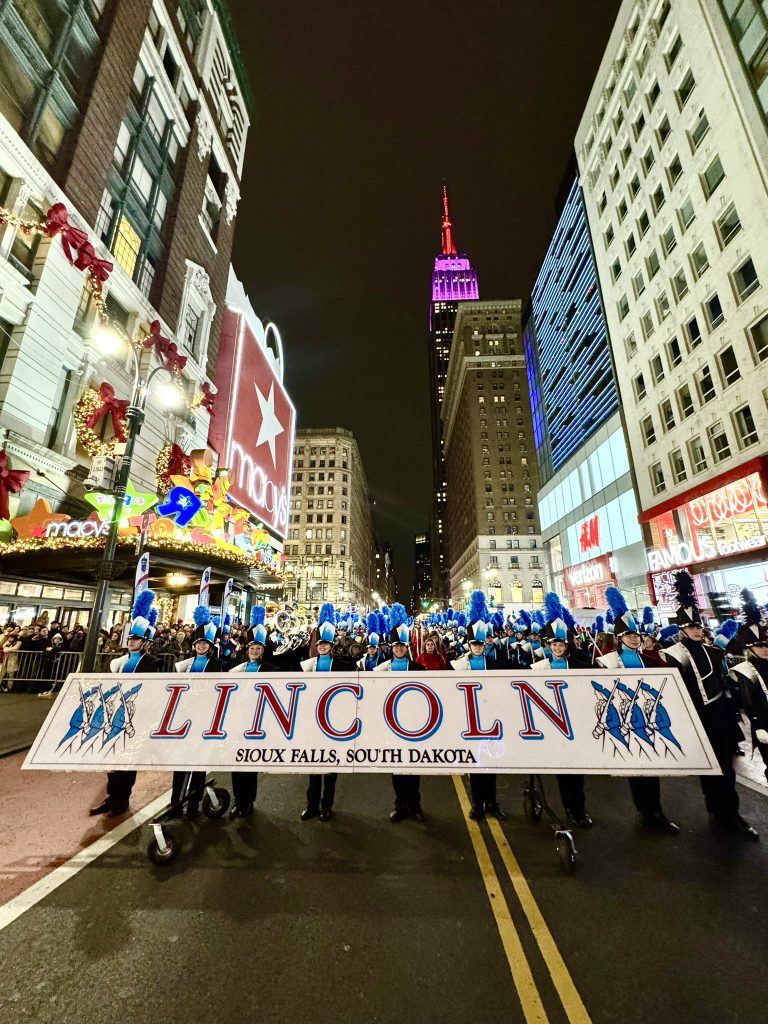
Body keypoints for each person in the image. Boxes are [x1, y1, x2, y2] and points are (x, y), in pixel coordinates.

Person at [662, 571, 758, 839]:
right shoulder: (672, 655)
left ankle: (731, 814)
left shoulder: (714, 652)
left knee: (726, 769)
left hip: (721, 716)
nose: (696, 630)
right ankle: (716, 811)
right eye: (691, 627)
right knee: (710, 769)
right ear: (682, 629)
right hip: (696, 718)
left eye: (698, 627)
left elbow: (725, 683)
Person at [597, 587, 678, 834]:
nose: (633, 639)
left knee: (652, 766)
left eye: (636, 636)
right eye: (628, 636)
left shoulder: (653, 660)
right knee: (635, 767)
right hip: (625, 721)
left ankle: (657, 811)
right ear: (619, 638)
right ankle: (643, 811)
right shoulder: (608, 662)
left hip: (649, 720)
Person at [90, 592, 162, 817]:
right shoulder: (118, 662)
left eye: (136, 639)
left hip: (136, 716)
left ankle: (122, 799)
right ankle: (113, 797)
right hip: (114, 715)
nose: (131, 641)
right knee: (111, 760)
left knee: (128, 762)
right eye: (130, 638)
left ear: (145, 642)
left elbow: (154, 692)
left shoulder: (153, 662)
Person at [450, 591, 507, 821]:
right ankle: (477, 804)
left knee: (492, 762)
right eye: (474, 643)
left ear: (484, 644)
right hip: (469, 719)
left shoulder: (496, 663)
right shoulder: (458, 666)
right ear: (469, 644)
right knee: (474, 763)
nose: (477, 646)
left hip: (492, 719)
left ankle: (492, 802)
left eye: (480, 643)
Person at [537, 592, 593, 829]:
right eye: (554, 644)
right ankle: (568, 808)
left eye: (561, 644)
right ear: (549, 646)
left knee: (576, 769)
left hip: (574, 722)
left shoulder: (578, 664)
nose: (558, 647)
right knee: (562, 768)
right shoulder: (539, 667)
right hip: (550, 723)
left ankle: (578, 809)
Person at [375, 604, 428, 822]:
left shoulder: (417, 669)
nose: (398, 650)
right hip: (390, 724)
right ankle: (400, 805)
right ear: (391, 647)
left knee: (413, 768)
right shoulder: (382, 668)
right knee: (396, 768)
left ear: (406, 648)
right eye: (395, 646)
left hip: (413, 724)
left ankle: (415, 806)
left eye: (401, 646)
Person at [228, 606, 279, 818]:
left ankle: (248, 801)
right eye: (252, 649)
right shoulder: (236, 667)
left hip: (258, 722)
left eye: (258, 649)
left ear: (263, 650)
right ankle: (238, 801)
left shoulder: (270, 669)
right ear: (247, 650)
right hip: (238, 719)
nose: (255, 652)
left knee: (250, 763)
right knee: (235, 761)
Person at [172, 606, 222, 819]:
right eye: (198, 643)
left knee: (199, 763)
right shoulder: (184, 665)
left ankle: (193, 801)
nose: (201, 646)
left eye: (204, 644)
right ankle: (176, 801)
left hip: (205, 717)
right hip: (184, 716)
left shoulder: (217, 664)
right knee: (180, 761)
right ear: (194, 646)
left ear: (209, 647)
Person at [299, 603, 348, 822]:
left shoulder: (342, 665)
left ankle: (326, 806)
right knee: (313, 767)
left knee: (330, 767)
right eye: (320, 644)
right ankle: (311, 806)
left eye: (326, 644)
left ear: (331, 646)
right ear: (316, 646)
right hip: (312, 720)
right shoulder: (308, 665)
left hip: (334, 722)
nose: (323, 647)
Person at [728, 590, 768, 786]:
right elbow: (748, 702)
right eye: (760, 646)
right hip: (765, 725)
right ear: (750, 648)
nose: (765, 648)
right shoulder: (745, 669)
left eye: (766, 645)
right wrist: (758, 725)